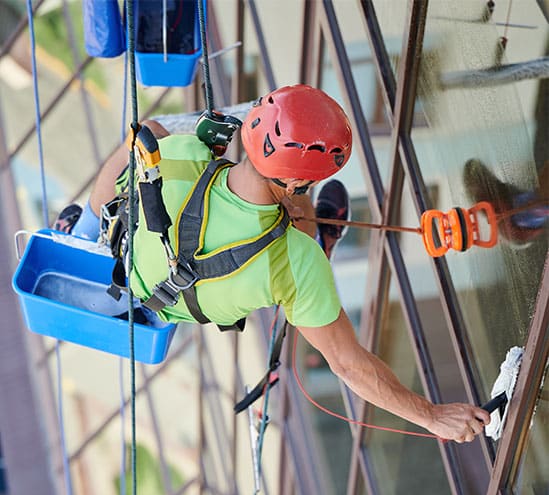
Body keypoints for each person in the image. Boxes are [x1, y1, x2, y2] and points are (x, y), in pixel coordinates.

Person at [56, 84, 490, 443]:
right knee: (297, 235)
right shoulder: (298, 261)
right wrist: (431, 416)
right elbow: (348, 364)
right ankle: (319, 233)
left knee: (147, 131)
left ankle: (86, 225)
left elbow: (147, 136)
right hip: (193, 297)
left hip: (134, 268)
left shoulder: (181, 153)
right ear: (300, 180)